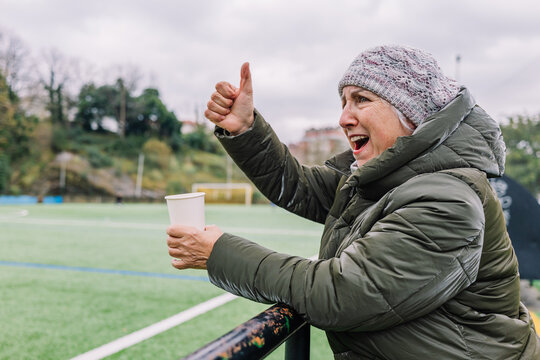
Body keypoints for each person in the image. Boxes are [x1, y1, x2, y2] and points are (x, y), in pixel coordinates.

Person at [166, 45, 540, 359]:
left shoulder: (447, 198)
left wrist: (218, 252)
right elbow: (299, 187)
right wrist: (245, 131)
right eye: (343, 102)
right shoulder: (391, 178)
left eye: (361, 99)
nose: (344, 117)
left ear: (413, 113)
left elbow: (342, 294)